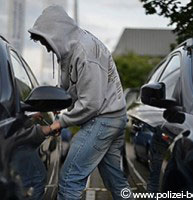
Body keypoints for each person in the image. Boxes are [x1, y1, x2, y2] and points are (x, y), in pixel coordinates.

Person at [29, 5, 130, 200]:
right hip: (113, 117)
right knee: (114, 180)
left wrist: (59, 123)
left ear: (56, 33)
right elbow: (64, 90)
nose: (47, 47)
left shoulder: (85, 52)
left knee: (69, 179)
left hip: (103, 120)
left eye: (46, 41)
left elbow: (91, 103)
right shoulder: (69, 51)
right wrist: (43, 108)